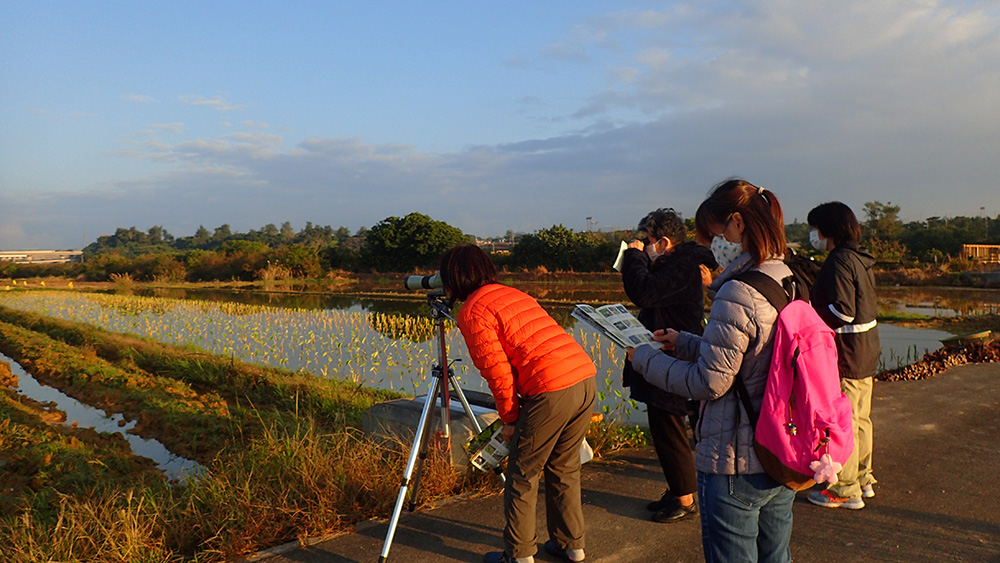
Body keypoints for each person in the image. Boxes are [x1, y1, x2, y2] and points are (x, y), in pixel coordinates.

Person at [626, 178, 796, 563]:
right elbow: (752, 355)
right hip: (780, 446)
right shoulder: (785, 277)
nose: (715, 245)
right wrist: (686, 342)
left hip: (737, 458)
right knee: (776, 556)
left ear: (737, 224)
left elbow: (710, 382)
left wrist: (646, 359)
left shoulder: (737, 291)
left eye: (715, 234)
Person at [439, 244, 597, 563]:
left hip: (550, 389)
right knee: (564, 467)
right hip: (583, 378)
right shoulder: (511, 293)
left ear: (453, 278)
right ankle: (571, 546)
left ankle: (520, 555)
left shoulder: (472, 311)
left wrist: (510, 419)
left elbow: (497, 372)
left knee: (522, 475)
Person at [620, 208, 716, 523]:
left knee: (669, 425)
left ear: (663, 241)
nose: (641, 245)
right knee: (666, 425)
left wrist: (633, 258)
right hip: (667, 351)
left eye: (645, 241)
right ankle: (678, 489)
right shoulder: (676, 263)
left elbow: (645, 292)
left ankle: (685, 499)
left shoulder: (682, 266)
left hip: (673, 355)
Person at [805, 202, 881, 510]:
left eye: (814, 229)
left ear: (827, 231)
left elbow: (843, 311)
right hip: (867, 349)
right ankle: (864, 478)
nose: (813, 234)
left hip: (848, 353)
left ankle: (845, 489)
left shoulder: (839, 261)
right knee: (861, 418)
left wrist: (811, 316)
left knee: (844, 421)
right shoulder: (860, 258)